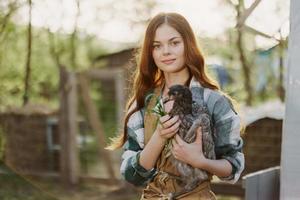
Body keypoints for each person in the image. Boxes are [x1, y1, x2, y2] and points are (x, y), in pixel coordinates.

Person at [107, 12, 244, 200]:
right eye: (157, 46)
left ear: (188, 45)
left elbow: (233, 167)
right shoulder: (143, 105)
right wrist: (159, 136)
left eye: (174, 43)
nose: (166, 52)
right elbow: (132, 175)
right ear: (151, 52)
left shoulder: (215, 102)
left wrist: (200, 161)